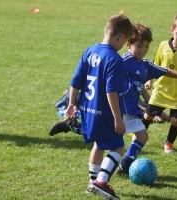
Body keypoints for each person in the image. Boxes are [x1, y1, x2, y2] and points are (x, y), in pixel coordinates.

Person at [50, 22, 177, 183]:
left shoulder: (145, 65)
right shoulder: (122, 61)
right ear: (128, 44)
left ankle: (124, 165)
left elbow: (164, 70)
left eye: (146, 46)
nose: (143, 50)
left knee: (142, 136)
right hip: (116, 110)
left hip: (130, 111)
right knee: (103, 141)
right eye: (139, 46)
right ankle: (75, 129)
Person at [64, 14, 133, 200]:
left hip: (87, 110)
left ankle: (92, 182)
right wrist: (118, 118)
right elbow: (112, 92)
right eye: (125, 41)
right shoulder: (114, 59)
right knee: (118, 148)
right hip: (104, 112)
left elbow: (75, 81)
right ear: (121, 37)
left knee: (98, 145)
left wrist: (72, 103)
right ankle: (101, 182)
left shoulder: (90, 51)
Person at [142, 13, 177, 154]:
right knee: (148, 116)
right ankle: (139, 137)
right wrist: (149, 81)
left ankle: (169, 143)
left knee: (176, 121)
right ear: (172, 29)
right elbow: (155, 66)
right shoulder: (163, 46)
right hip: (160, 89)